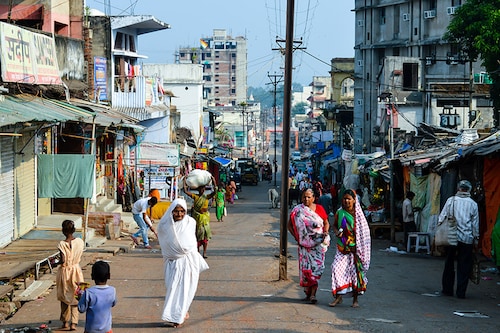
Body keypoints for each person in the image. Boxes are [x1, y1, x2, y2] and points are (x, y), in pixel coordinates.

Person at [157, 198, 209, 328]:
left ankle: (177, 317)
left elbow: (191, 242)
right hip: (171, 263)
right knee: (172, 288)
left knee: (186, 290)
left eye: (182, 211)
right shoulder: (164, 225)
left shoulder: (191, 222)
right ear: (171, 211)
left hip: (188, 262)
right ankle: (181, 312)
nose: (179, 214)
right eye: (176, 211)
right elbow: (165, 243)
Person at [287, 188, 330, 304]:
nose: (306, 199)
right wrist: (297, 237)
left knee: (316, 269)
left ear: (314, 198)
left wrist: (325, 232)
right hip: (304, 246)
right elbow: (289, 225)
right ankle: (309, 294)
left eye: (309, 197)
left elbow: (326, 223)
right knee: (306, 270)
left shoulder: (319, 209)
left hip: (318, 246)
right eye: (304, 197)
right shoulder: (297, 210)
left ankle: (313, 293)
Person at [330, 189, 371, 308]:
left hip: (355, 249)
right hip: (342, 248)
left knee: (355, 274)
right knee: (336, 268)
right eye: (345, 198)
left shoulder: (358, 215)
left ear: (354, 200)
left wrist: (359, 247)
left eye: (349, 199)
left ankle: (355, 300)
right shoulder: (340, 212)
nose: (346, 201)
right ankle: (338, 297)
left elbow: (363, 233)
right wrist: (337, 233)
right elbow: (334, 225)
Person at [439, 180, 479, 299]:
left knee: (449, 264)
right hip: (466, 239)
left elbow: (442, 218)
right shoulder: (473, 204)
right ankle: (461, 292)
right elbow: (475, 224)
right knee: (464, 266)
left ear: (458, 188)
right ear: (469, 190)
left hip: (451, 237)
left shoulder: (451, 201)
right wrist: (476, 239)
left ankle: (447, 290)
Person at [56, 219, 85, 331]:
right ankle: (74, 323)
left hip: (64, 272)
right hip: (76, 271)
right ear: (74, 230)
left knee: (64, 296)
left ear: (63, 231)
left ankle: (65, 322)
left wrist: (55, 262)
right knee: (76, 297)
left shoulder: (62, 244)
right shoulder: (80, 242)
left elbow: (63, 260)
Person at [77, 261, 116, 333]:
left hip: (91, 330)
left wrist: (80, 299)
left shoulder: (88, 292)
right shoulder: (112, 290)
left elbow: (81, 309)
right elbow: (113, 303)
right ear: (109, 276)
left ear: (92, 276)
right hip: (106, 329)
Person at [183, 175, 217, 258]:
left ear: (204, 190)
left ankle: (204, 252)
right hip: (197, 218)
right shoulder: (195, 197)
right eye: (200, 189)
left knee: (205, 237)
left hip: (205, 218)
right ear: (198, 190)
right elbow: (185, 191)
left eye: (203, 189)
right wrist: (184, 181)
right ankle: (197, 252)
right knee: (197, 236)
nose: (202, 190)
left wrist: (214, 181)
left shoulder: (206, 197)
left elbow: (215, 191)